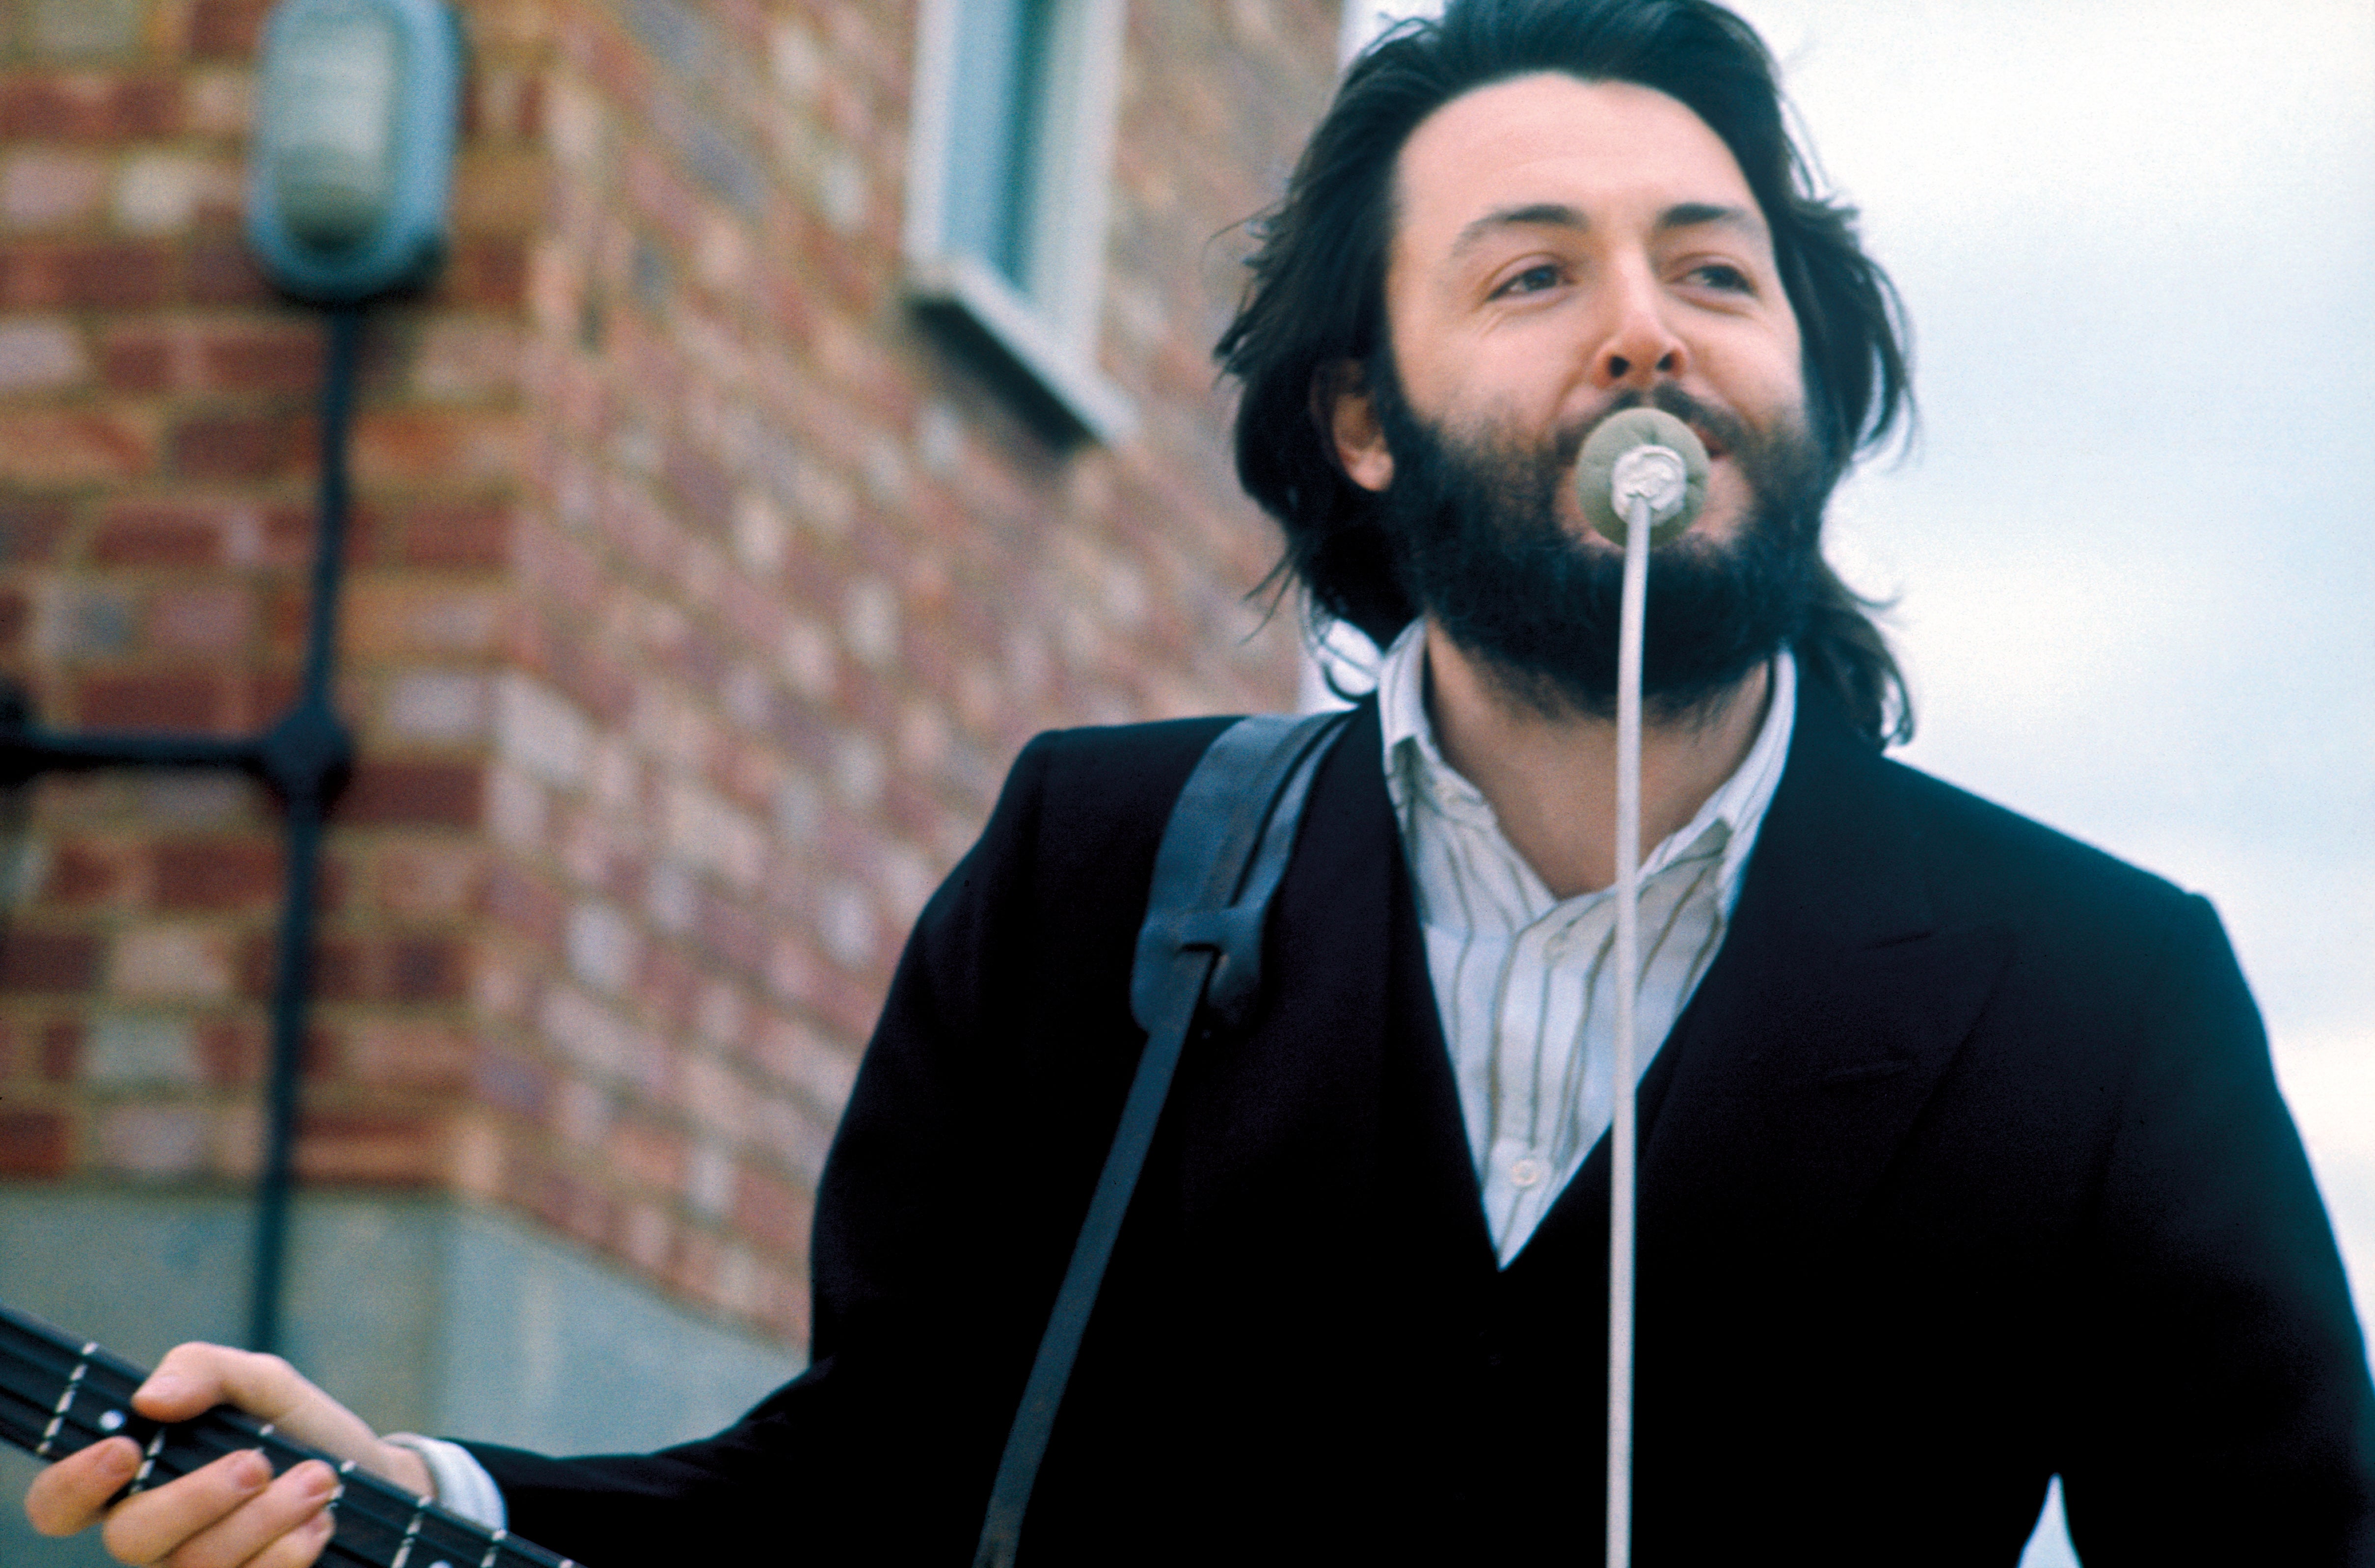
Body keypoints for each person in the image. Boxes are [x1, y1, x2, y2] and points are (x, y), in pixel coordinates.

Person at [27, 0, 2375, 1562]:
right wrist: (410, 1488)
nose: (1648, 322)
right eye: (1534, 273)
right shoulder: (1103, 869)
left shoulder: (2099, 989)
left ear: (1801, 380)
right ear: (1364, 418)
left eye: (1714, 269)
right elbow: (867, 1497)